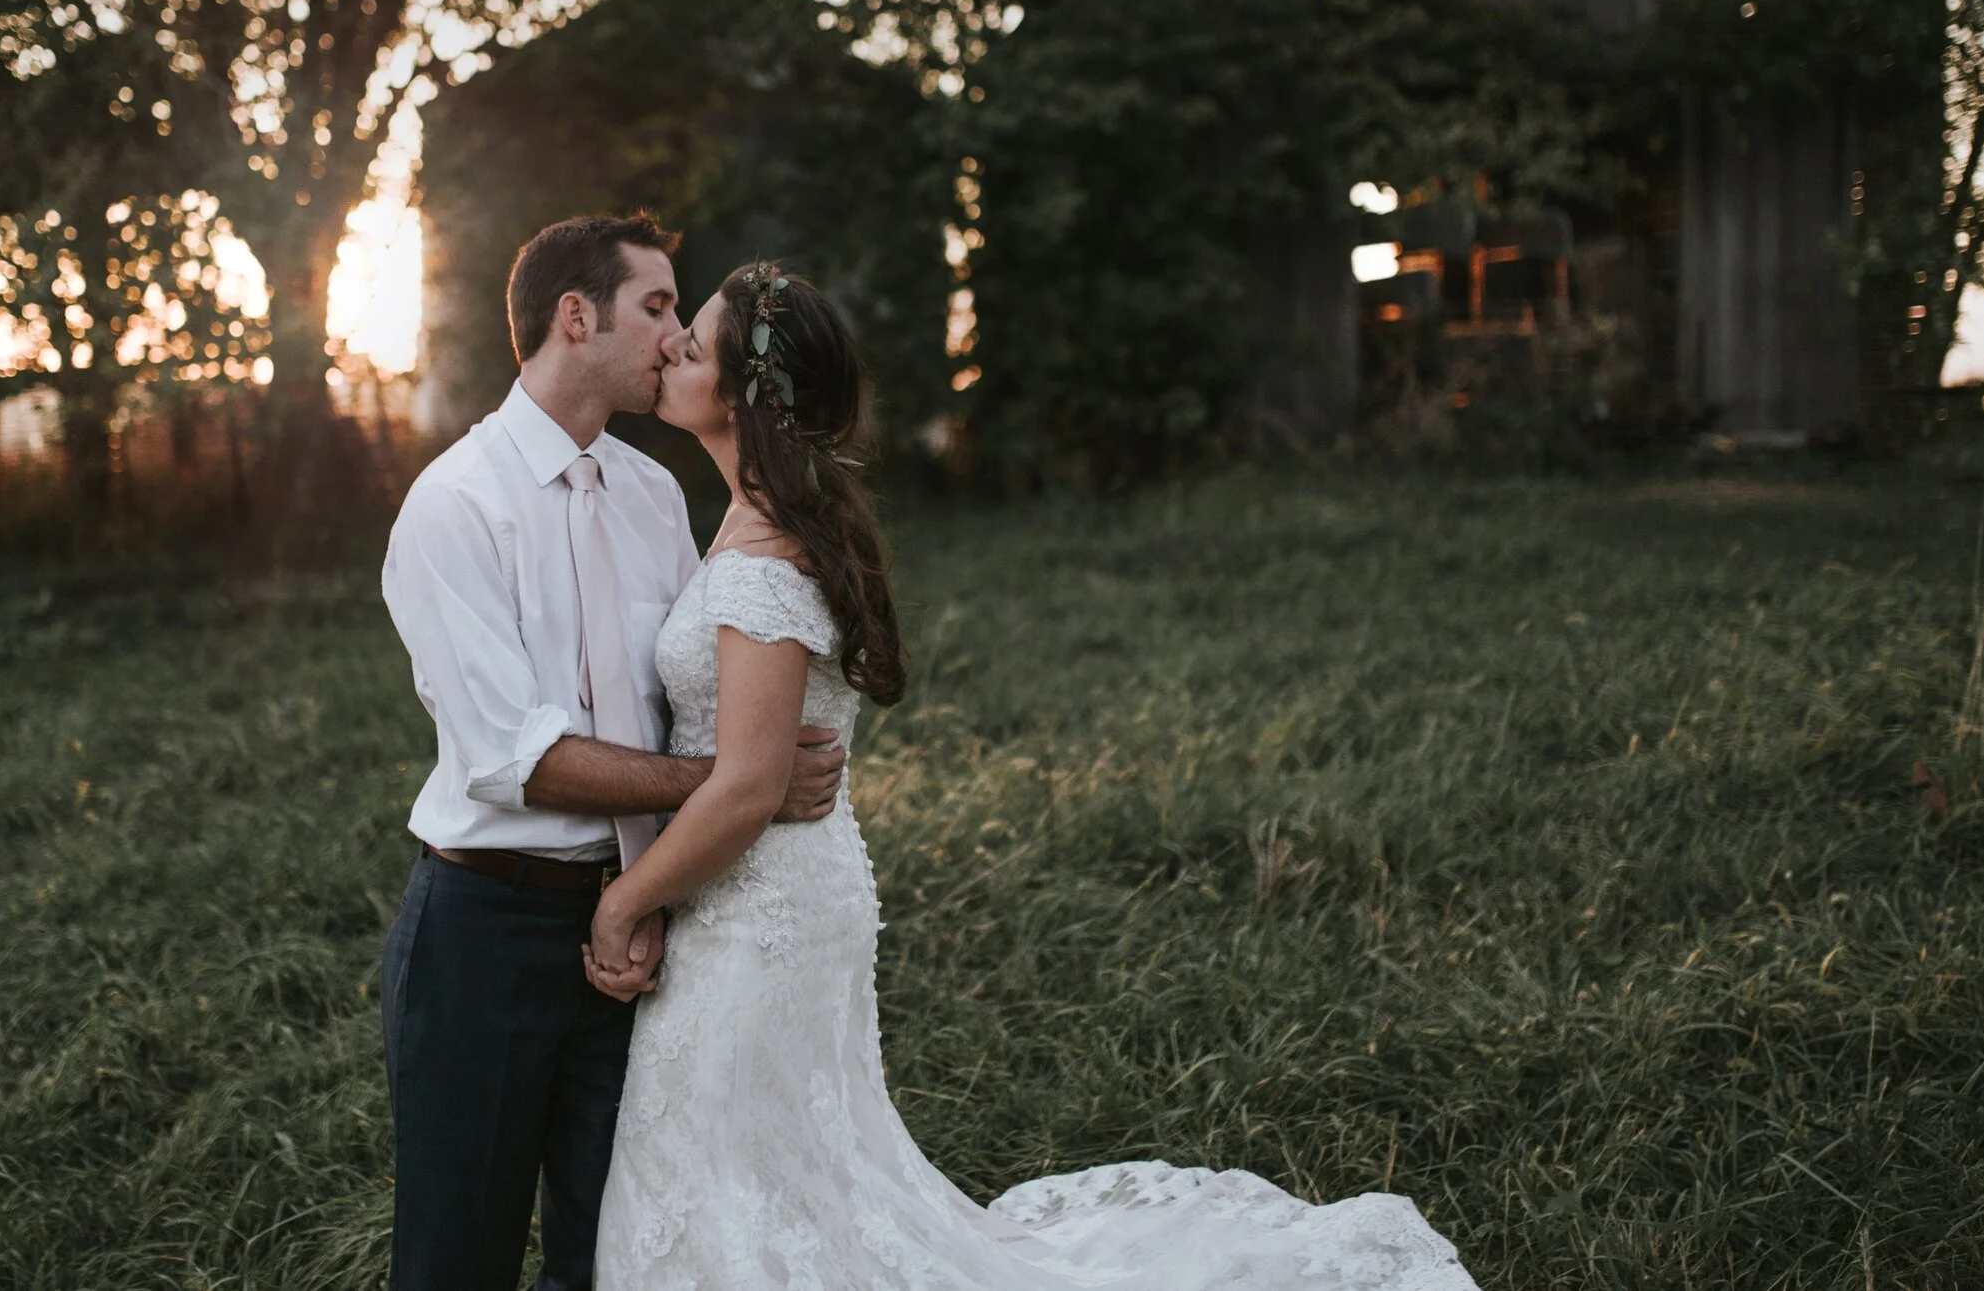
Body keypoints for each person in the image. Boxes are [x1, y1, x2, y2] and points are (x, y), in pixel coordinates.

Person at [585, 260, 1483, 1290]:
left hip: (759, 913)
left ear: (746, 395)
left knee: (732, 1180)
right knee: (777, 1178)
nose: (670, 347)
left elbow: (748, 787)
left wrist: (623, 902)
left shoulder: (757, 562)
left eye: (693, 342)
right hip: (781, 895)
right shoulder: (763, 522)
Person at [376, 214, 845, 1291]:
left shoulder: (652, 494)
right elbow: (519, 761)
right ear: (575, 317)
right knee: (457, 1257)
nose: (676, 335)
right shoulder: (454, 505)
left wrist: (650, 889)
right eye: (656, 305)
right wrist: (743, 785)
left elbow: (683, 700)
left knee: (615, 1254)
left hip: (638, 926)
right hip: (486, 929)